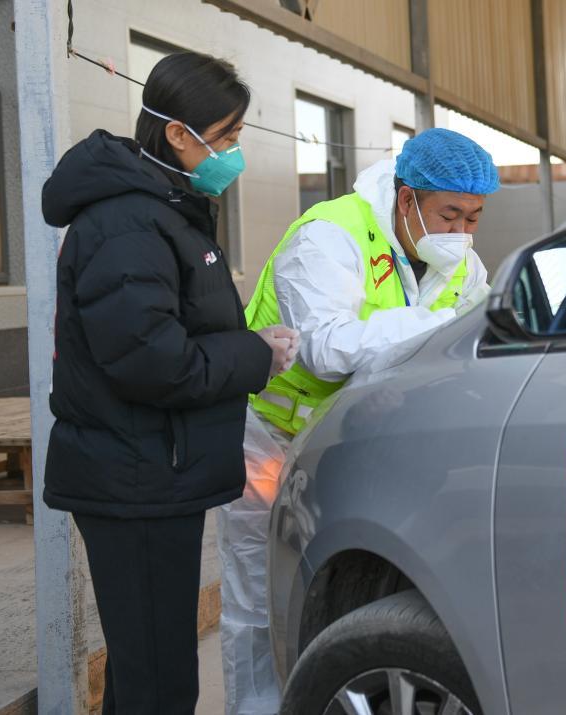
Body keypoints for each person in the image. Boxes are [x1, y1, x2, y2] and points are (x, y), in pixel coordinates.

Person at [41, 52, 299, 715]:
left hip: (153, 470)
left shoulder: (162, 208)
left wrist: (246, 348)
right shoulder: (131, 221)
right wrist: (252, 357)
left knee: (146, 666)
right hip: (135, 478)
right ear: (179, 134)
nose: (234, 154)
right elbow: (149, 361)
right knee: (159, 680)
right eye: (229, 136)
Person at [217, 127, 499, 714]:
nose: (462, 234)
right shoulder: (329, 236)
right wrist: (437, 330)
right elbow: (324, 348)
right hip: (270, 436)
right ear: (406, 200)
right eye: (449, 215)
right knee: (258, 596)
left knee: (343, 582)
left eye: (473, 218)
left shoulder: (459, 268)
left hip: (356, 440)